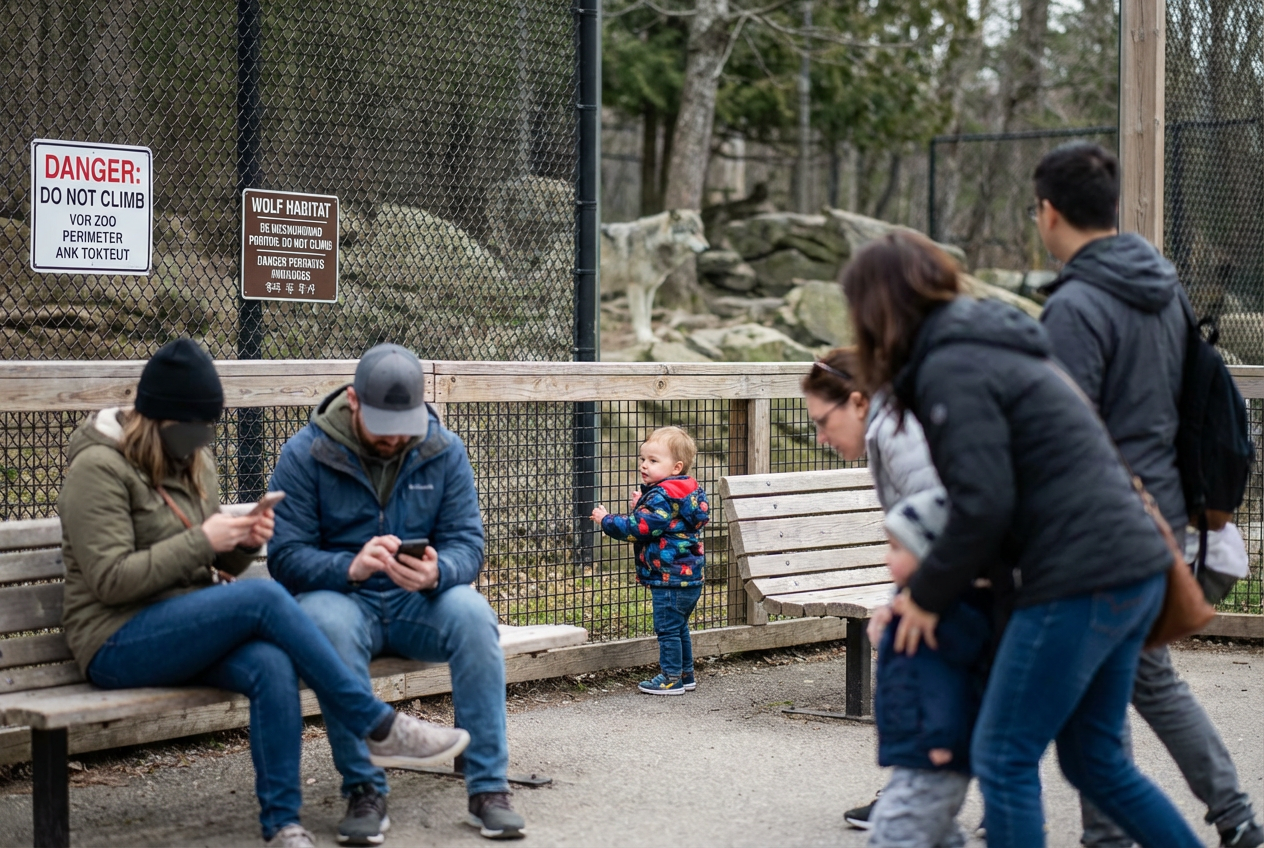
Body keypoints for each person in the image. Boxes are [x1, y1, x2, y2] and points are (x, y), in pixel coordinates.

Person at [840, 231, 1202, 848]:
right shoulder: (988, 344)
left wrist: (925, 595)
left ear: (878, 308)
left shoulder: (952, 363)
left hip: (1080, 575)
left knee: (1004, 754)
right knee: (1096, 762)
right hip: (1130, 564)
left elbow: (983, 503)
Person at [58, 339, 470, 848]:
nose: (203, 438)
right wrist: (205, 539)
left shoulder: (194, 462)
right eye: (194, 427)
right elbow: (110, 580)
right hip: (115, 640)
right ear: (159, 418)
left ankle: (282, 824)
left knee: (270, 665)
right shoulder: (98, 468)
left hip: (182, 622)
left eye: (209, 427)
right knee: (266, 599)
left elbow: (206, 561)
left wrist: (241, 542)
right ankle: (378, 724)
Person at [1033, 141, 1263, 848]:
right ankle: (1234, 817)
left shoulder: (1076, 307)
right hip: (1160, 511)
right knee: (1141, 677)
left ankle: (1118, 834)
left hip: (1101, 524)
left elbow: (1065, 434)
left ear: (1048, 213)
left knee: (1087, 693)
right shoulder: (1164, 287)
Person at [267, 343, 524, 844]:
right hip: (343, 597)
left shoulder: (443, 448)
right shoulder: (304, 452)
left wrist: (438, 572)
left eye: (402, 426)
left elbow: (468, 544)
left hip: (418, 602)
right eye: (383, 428)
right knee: (326, 627)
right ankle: (364, 788)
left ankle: (488, 788)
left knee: (473, 614)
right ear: (354, 402)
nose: (394, 439)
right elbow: (285, 557)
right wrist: (350, 567)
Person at [800, 347, 945, 831]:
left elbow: (946, 521)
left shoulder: (899, 436)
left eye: (823, 421)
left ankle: (910, 802)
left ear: (859, 402)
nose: (821, 437)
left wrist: (916, 600)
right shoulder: (892, 428)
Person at [868, 487, 990, 848]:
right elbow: (906, 665)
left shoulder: (944, 619)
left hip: (934, 750)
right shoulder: (911, 607)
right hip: (919, 745)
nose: (887, 558)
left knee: (893, 831)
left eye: (896, 548)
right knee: (937, 833)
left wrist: (940, 739)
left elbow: (944, 683)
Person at [591, 425, 710, 695]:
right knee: (679, 627)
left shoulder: (661, 495)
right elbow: (669, 523)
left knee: (667, 629)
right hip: (689, 576)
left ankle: (670, 678)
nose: (644, 465)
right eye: (643, 459)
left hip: (668, 576)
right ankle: (685, 674)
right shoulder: (687, 491)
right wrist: (642, 505)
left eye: (653, 461)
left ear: (676, 467)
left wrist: (606, 520)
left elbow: (641, 528)